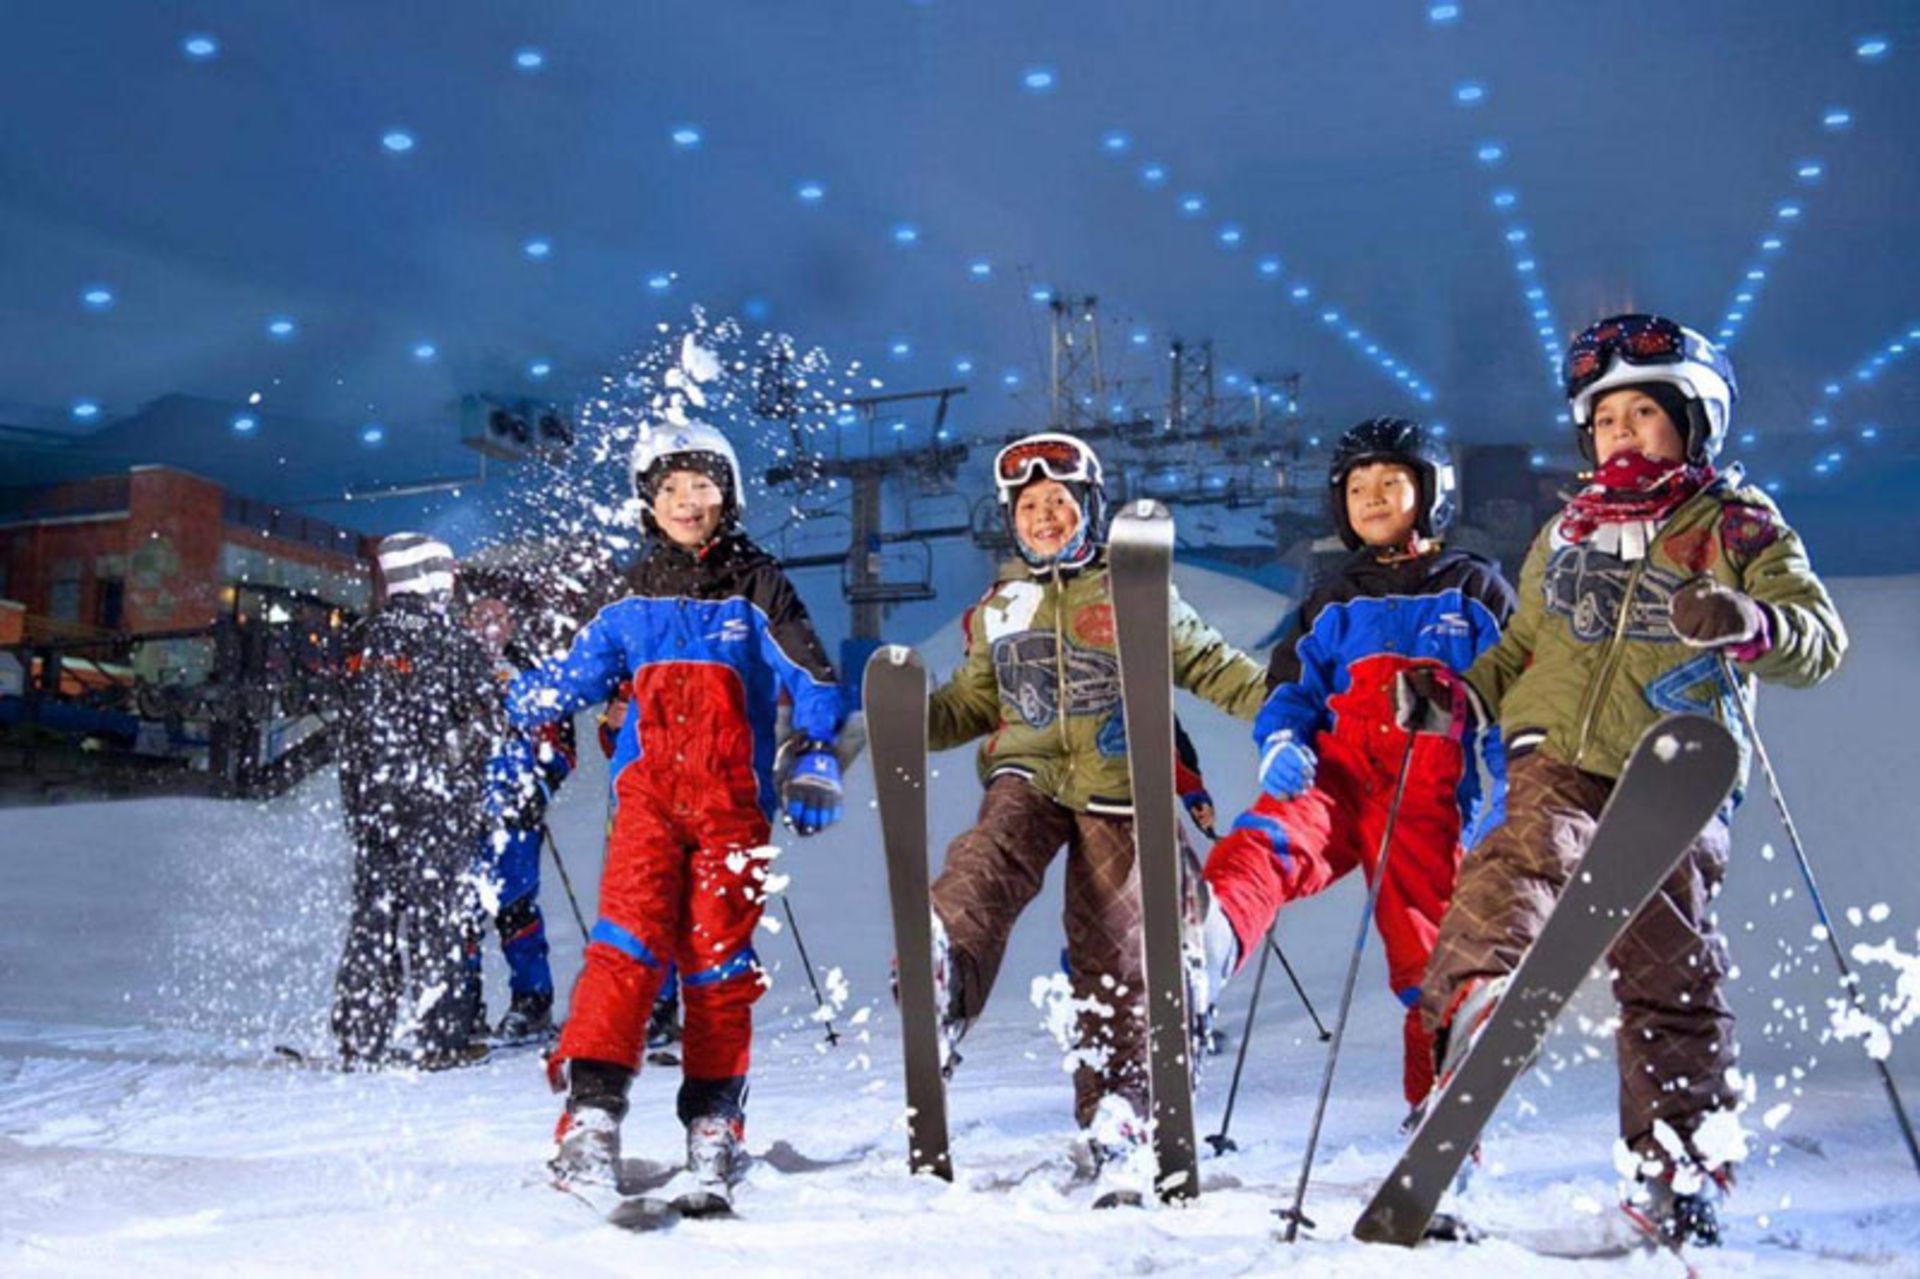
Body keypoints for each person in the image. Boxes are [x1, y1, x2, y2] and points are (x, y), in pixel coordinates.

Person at [1405, 313, 1847, 1248]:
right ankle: (1478, 1014)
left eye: (1644, 413)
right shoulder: (1566, 532)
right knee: (1517, 862)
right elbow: (1522, 646)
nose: (1621, 433)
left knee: (1669, 961)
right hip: (1557, 753)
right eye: (1605, 419)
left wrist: (1751, 620)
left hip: (1675, 768)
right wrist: (1458, 693)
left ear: (1696, 422)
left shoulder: (1738, 524)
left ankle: (1678, 1164)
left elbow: (1820, 640)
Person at [922, 431, 1270, 1193]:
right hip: (1028, 771)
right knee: (989, 855)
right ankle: (946, 966)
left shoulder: (1131, 588)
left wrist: (1283, 706)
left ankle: (1120, 1103)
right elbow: (971, 703)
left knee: (1113, 945)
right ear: (1011, 520)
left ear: (1089, 507)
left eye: (1059, 501)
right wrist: (902, 718)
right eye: (1029, 507)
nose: (1044, 516)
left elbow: (1211, 663)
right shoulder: (1000, 608)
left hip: (1121, 784)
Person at [511, 421, 844, 1214]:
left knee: (719, 963)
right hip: (648, 801)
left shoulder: (758, 585)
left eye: (701, 486)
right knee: (624, 947)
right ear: (648, 502)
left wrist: (815, 748)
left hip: (733, 806)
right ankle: (591, 1118)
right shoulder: (630, 593)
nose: (686, 501)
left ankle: (715, 1122)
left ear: (728, 495)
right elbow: (579, 671)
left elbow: (813, 673)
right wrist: (529, 693)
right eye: (669, 489)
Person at [1195, 417, 1514, 1110]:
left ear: (1430, 492)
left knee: (1429, 956)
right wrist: (1282, 742)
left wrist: (1510, 787)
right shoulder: (1334, 597)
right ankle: (1208, 941)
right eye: (1357, 487)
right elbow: (1292, 690)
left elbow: (1513, 698)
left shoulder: (1474, 590)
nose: (1372, 497)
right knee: (1268, 837)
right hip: (1336, 775)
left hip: (1425, 797)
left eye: (1390, 482)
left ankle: (1438, 1104)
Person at [332, 533, 502, 1069]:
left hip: (371, 801)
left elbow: (349, 722)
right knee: (437, 919)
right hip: (434, 803)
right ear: (432, 578)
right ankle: (440, 1038)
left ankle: (361, 1035)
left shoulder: (359, 637)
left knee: (374, 916)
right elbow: (486, 721)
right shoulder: (451, 640)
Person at [465, 594, 577, 1043]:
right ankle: (462, 1006)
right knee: (462, 911)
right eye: (480, 616)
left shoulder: (531, 672)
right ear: (467, 623)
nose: (490, 625)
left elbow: (563, 745)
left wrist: (539, 790)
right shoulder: (453, 669)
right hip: (463, 815)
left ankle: (532, 1002)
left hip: (516, 812)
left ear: (511, 624)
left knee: (516, 908)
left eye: (499, 616)